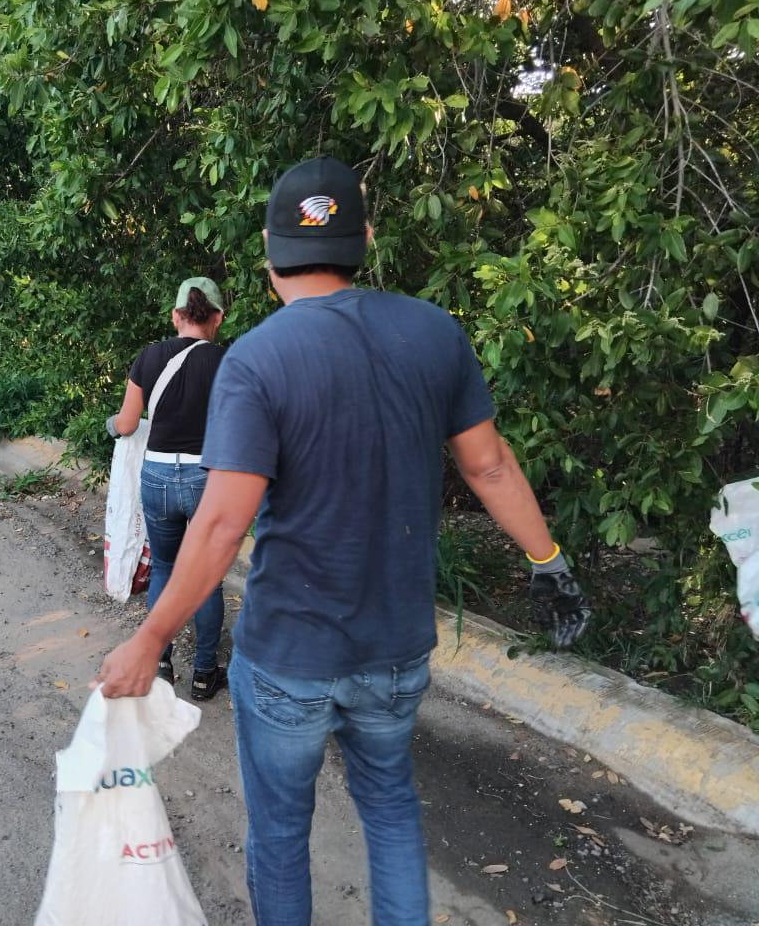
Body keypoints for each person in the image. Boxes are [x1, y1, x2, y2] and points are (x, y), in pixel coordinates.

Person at [94, 157, 591, 926]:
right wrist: (547, 561)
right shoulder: (434, 333)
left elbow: (224, 523)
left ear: (269, 255)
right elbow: (489, 465)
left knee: (283, 833)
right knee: (390, 809)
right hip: (394, 650)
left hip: (290, 653)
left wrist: (149, 635)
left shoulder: (257, 359)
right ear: (365, 239)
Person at [106, 276, 230, 701]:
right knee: (208, 579)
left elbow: (125, 424)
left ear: (176, 316)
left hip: (156, 475)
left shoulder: (149, 357)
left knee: (163, 567)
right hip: (204, 478)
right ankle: (204, 673)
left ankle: (160, 662)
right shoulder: (227, 362)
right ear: (217, 317)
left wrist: (113, 426)